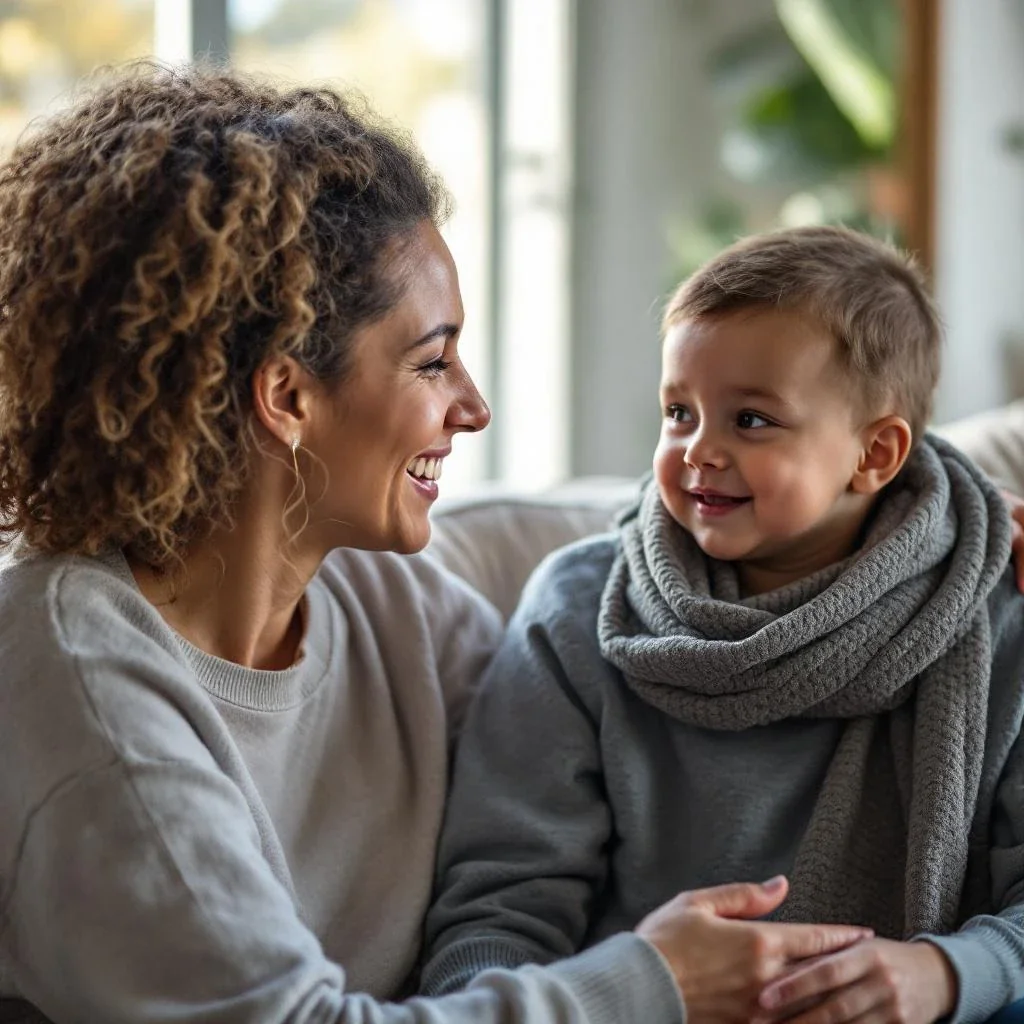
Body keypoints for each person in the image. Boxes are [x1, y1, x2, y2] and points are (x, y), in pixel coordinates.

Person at [0, 65, 880, 1024]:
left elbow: (617, 575)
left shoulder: (387, 605)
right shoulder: (77, 679)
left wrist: (933, 519)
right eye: (432, 360)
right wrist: (653, 986)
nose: (474, 408)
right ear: (288, 395)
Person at [421, 226, 1024, 1024]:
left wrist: (944, 976)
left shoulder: (997, 613)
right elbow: (497, 913)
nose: (697, 451)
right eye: (678, 412)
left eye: (751, 421)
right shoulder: (579, 610)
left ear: (875, 455)